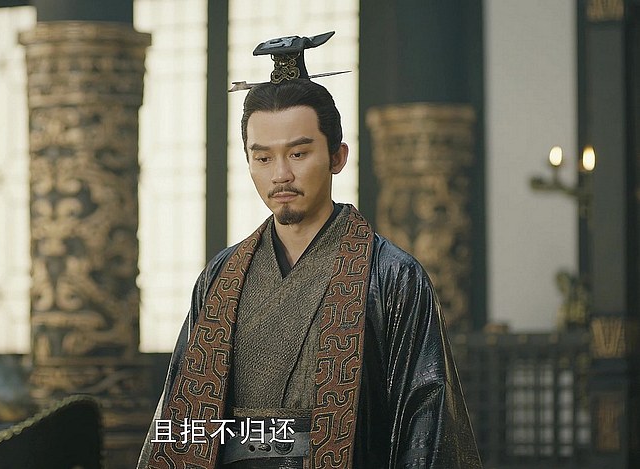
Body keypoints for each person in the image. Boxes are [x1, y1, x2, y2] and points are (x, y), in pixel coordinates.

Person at [138, 32, 482, 469]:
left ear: (337, 157)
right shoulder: (221, 275)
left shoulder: (392, 275)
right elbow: (179, 411)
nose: (280, 174)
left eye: (298, 154)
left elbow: (425, 422)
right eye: (263, 158)